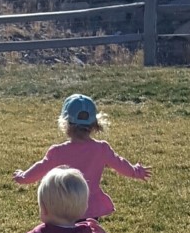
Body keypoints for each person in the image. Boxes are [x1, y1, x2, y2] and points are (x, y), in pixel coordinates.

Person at [14, 94, 150, 220]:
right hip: (90, 206)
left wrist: (23, 177)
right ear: (94, 125)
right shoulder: (101, 149)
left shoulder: (58, 152)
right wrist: (136, 171)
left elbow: (41, 168)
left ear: (65, 124)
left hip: (65, 205)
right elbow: (119, 164)